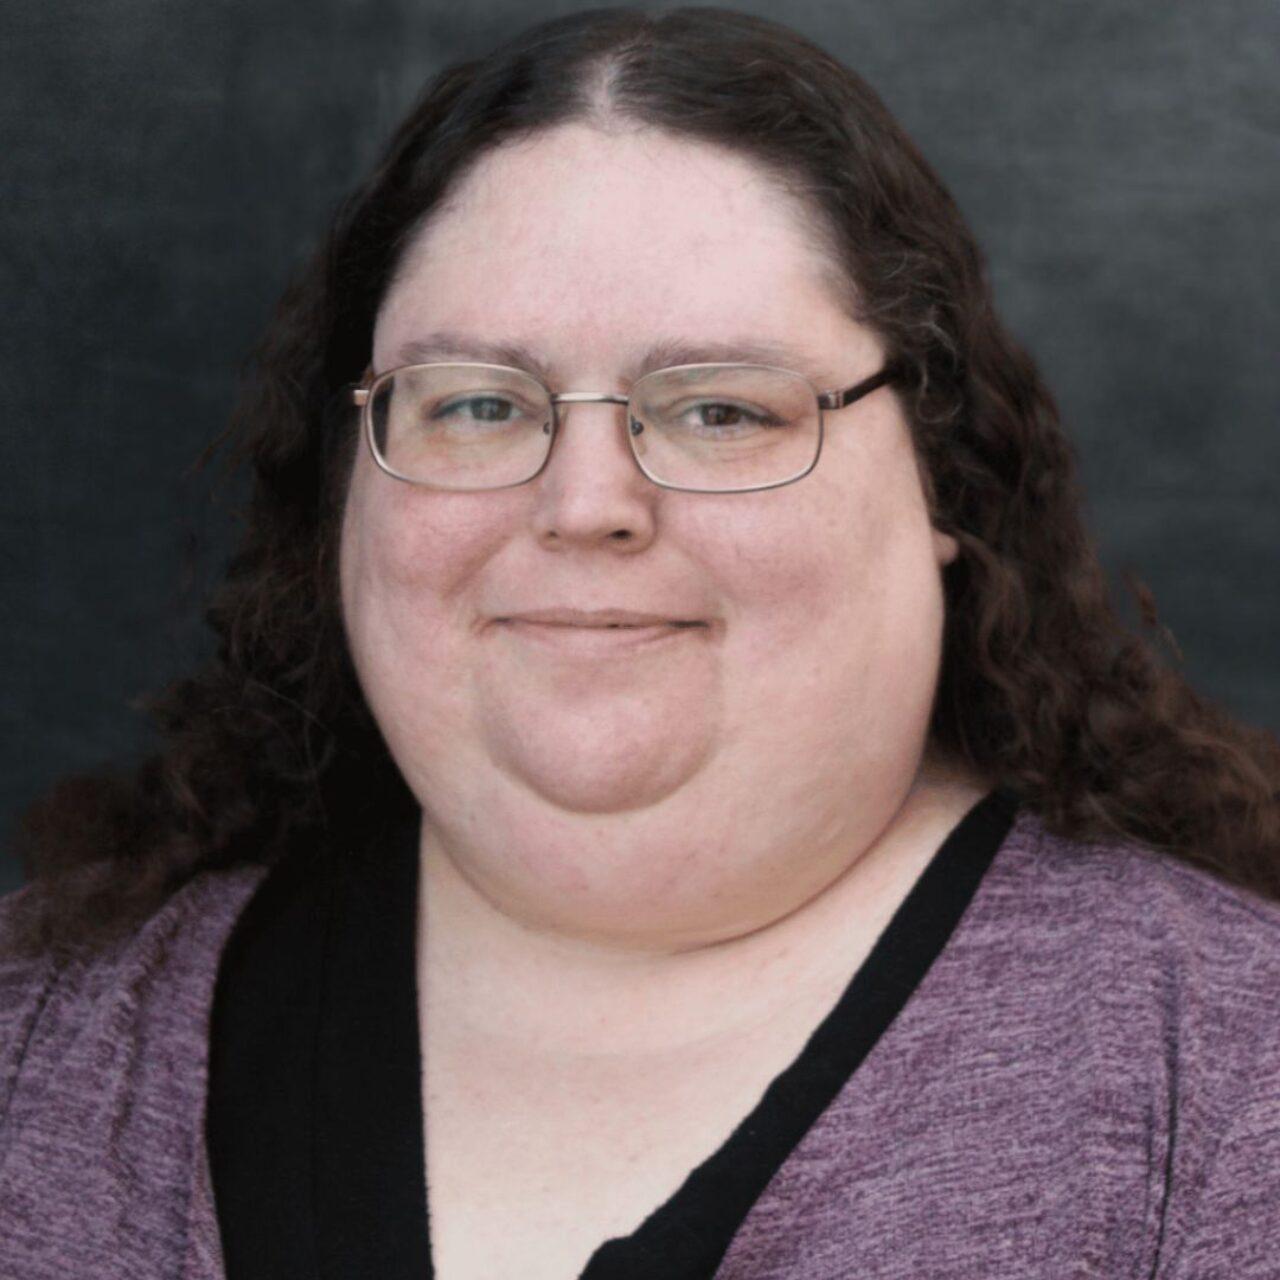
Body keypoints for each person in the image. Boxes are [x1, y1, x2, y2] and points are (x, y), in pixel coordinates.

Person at [3, 7, 1279, 1279]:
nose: (585, 504)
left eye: (720, 407)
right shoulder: (37, 1035)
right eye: (479, 405)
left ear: (942, 476)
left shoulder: (1227, 1081)